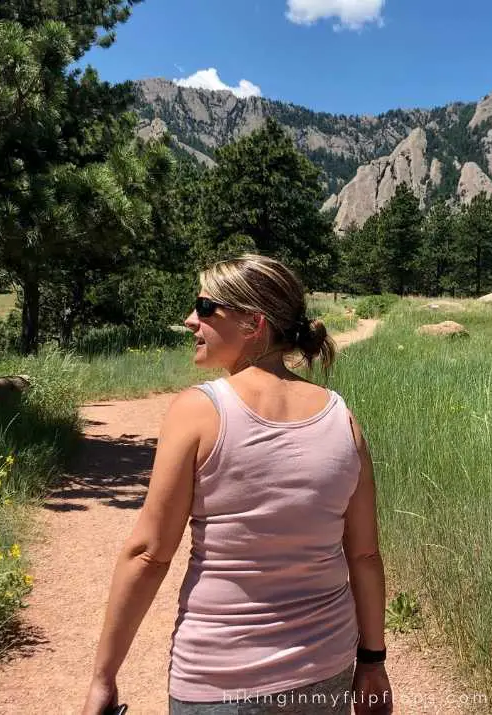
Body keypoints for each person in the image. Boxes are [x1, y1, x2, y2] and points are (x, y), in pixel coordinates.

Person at [82, 254, 393, 714]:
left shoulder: (198, 411)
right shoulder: (342, 418)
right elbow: (364, 555)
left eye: (206, 308)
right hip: (325, 670)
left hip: (221, 680)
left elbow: (149, 554)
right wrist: (372, 662)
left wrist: (103, 678)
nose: (191, 320)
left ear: (253, 323)